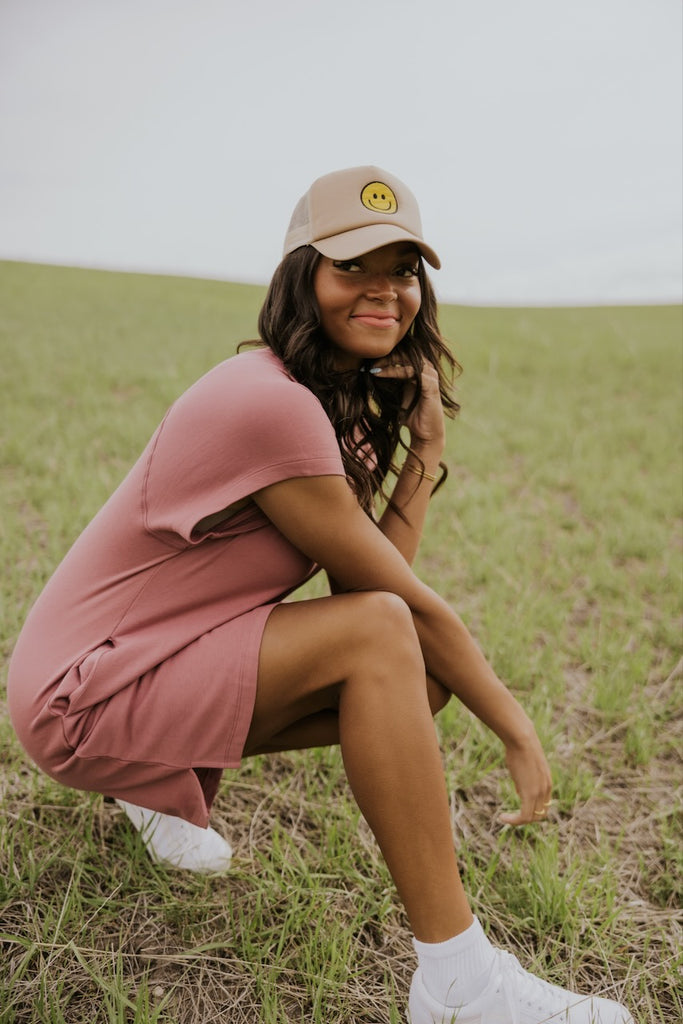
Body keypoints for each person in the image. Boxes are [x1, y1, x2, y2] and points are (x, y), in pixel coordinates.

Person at [8, 166, 632, 1023]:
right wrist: (514, 727)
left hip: (136, 664)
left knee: (412, 674)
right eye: (352, 267)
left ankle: (150, 784)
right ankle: (459, 985)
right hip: (78, 696)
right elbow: (391, 607)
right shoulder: (268, 403)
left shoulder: (324, 408)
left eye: (402, 270)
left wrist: (420, 449)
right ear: (301, 277)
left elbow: (369, 589)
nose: (384, 289)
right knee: (385, 638)